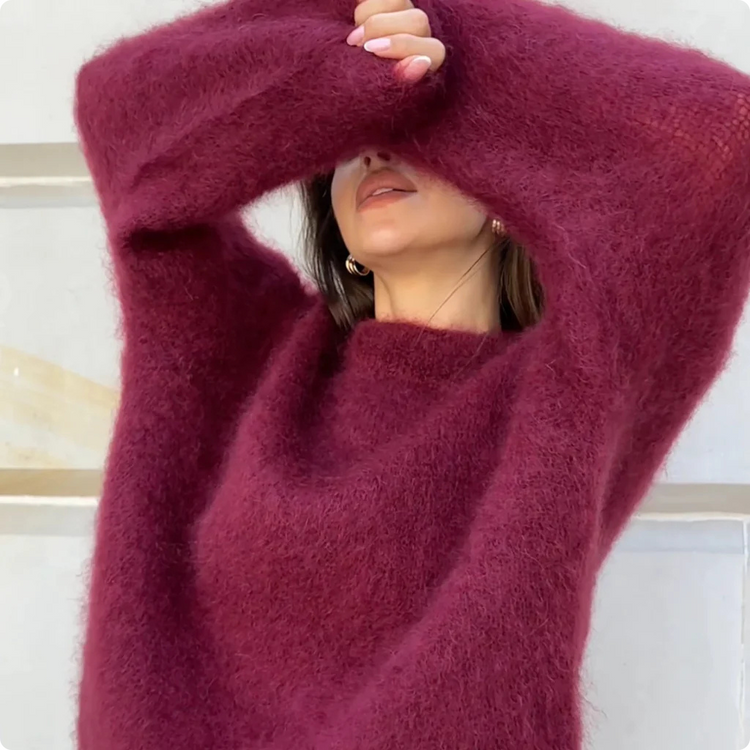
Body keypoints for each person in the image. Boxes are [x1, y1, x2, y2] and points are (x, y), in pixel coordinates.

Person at [72, 0, 750, 747]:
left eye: (420, 139)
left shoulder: (572, 396)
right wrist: (348, 54)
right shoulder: (242, 355)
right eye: (349, 145)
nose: (373, 153)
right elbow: (116, 116)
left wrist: (445, 45)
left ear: (506, 190)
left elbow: (720, 143)